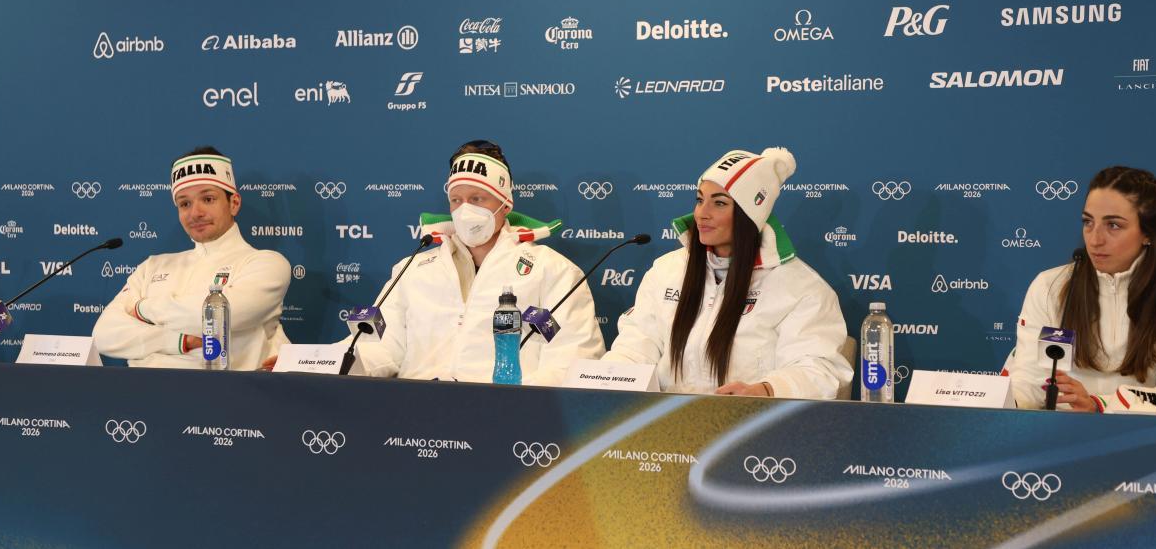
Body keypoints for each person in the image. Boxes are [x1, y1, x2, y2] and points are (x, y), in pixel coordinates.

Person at [337, 140, 605, 384]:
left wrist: (518, 404)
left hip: (507, 421)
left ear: (505, 203)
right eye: (457, 200)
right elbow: (378, 345)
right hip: (413, 414)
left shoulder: (553, 271)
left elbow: (573, 359)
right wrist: (333, 363)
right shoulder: (411, 270)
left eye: (477, 199)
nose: (465, 210)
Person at [603, 147, 852, 398]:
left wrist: (765, 390)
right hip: (665, 427)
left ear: (750, 214)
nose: (702, 213)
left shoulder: (801, 287)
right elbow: (636, 345)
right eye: (700, 199)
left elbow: (818, 368)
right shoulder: (666, 270)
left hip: (752, 427)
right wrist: (607, 380)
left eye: (719, 203)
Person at [1008, 166, 1156, 412]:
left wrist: (1099, 406)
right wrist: (989, 398)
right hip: (1058, 440)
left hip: (1148, 443)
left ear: (1149, 233)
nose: (1095, 239)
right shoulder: (1049, 286)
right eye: (1088, 222)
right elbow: (1030, 385)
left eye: (1113, 226)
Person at [93, 147, 291, 369]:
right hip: (143, 396)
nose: (195, 213)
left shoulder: (266, 263)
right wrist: (180, 342)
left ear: (234, 203)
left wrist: (142, 310)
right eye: (184, 203)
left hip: (228, 398)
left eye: (207, 199)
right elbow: (104, 334)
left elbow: (222, 316)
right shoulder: (152, 266)